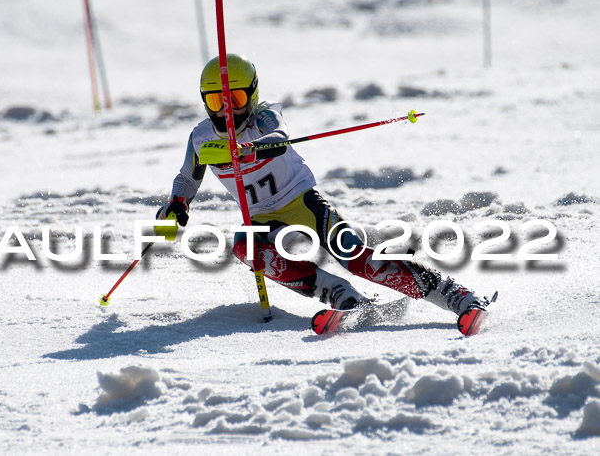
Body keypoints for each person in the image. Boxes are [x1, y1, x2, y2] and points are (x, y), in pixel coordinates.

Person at [157, 53, 490, 320]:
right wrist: (177, 204)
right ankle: (339, 294)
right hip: (259, 216)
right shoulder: (200, 138)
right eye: (216, 103)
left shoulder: (264, 118)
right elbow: (187, 178)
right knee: (246, 248)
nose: (226, 111)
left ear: (253, 95)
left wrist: (248, 148)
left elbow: (279, 136)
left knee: (353, 255)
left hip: (301, 201)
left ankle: (454, 294)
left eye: (235, 98)